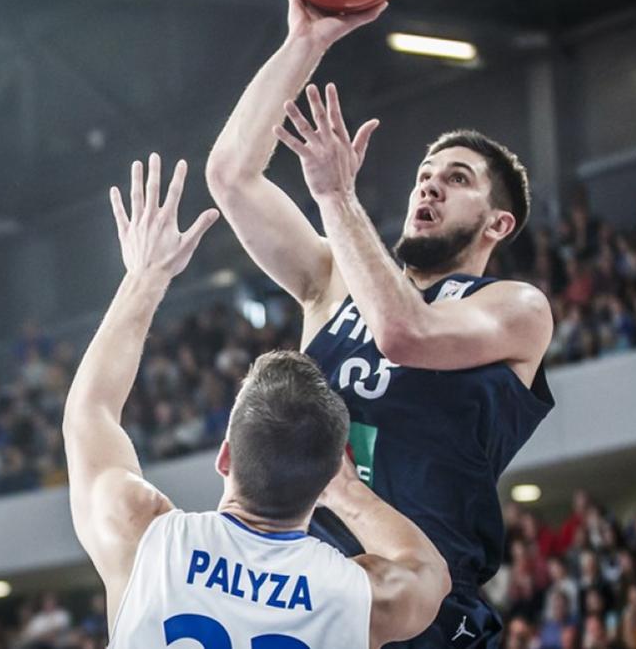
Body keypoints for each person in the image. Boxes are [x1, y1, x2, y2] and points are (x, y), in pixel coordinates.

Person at [207, 0, 555, 647]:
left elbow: (405, 333)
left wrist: (336, 198)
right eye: (426, 173)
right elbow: (231, 177)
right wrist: (302, 42)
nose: (430, 185)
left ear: (498, 224)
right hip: (297, 583)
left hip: (418, 600)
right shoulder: (333, 278)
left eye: (457, 180)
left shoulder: (514, 307)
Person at [63, 154, 450, 647]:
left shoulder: (145, 536)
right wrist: (347, 492)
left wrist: (144, 277)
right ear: (328, 472)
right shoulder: (359, 595)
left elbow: (88, 413)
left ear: (224, 457)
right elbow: (430, 574)